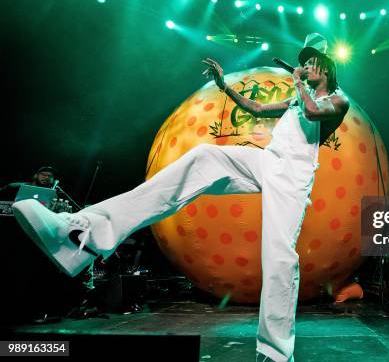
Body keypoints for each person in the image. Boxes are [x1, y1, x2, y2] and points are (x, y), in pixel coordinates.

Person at [13, 33, 350, 362]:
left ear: (328, 67)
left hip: (293, 179)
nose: (308, 67)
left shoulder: (337, 100)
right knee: (205, 156)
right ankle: (82, 235)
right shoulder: (297, 96)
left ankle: (276, 353)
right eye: (305, 62)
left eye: (315, 63)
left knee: (278, 256)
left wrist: (298, 83)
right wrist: (224, 86)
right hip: (268, 162)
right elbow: (257, 106)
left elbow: (312, 112)